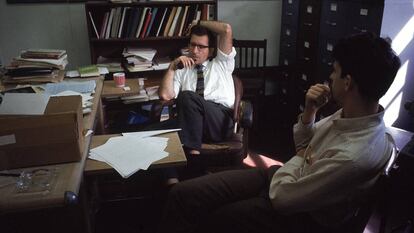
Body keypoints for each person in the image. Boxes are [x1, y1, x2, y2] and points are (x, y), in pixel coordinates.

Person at [157, 32, 401, 233]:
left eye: (334, 71)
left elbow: (284, 198)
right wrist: (309, 112)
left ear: (348, 82)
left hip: (297, 212)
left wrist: (301, 157)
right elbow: (304, 148)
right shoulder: (353, 114)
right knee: (184, 194)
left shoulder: (356, 156)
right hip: (282, 177)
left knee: (215, 217)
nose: (330, 77)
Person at [158, 20, 236, 157]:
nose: (194, 51)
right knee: (156, 134)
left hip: (219, 121)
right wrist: (172, 67)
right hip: (191, 121)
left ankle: (194, 155)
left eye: (201, 47)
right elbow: (165, 96)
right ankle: (172, 178)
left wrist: (198, 22)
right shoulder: (182, 70)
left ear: (211, 50)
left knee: (187, 96)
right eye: (192, 45)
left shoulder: (222, 63)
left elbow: (226, 29)